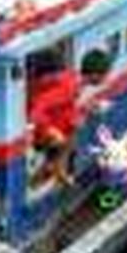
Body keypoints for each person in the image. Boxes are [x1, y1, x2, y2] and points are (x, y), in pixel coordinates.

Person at [27, 51, 83, 187]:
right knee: (61, 143)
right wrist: (50, 130)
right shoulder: (36, 90)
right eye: (53, 75)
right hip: (42, 134)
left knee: (67, 141)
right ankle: (50, 174)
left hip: (56, 129)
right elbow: (35, 115)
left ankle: (57, 171)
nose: (57, 77)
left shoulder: (63, 84)